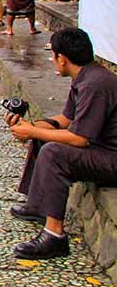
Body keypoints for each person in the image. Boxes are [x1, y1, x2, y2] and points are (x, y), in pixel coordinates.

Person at [7, 28, 117, 259]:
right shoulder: (85, 77)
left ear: (62, 58)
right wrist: (31, 126)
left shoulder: (95, 85)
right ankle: (37, 205)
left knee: (54, 152)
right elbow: (66, 120)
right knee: (42, 137)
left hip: (111, 157)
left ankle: (54, 235)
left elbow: (80, 138)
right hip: (102, 150)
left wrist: (34, 131)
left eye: (53, 56)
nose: (53, 60)